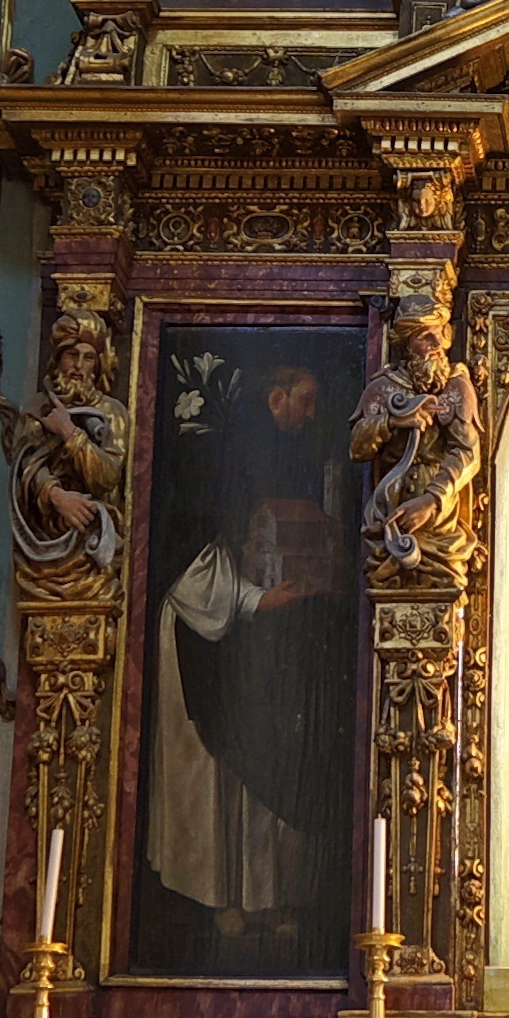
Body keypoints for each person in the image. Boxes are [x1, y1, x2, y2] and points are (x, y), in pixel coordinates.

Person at [142, 352, 354, 974]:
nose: (312, 414)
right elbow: (195, 563)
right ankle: (220, 899)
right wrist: (263, 597)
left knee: (267, 765)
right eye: (307, 400)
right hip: (205, 636)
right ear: (274, 398)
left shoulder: (292, 457)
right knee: (215, 775)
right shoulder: (224, 457)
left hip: (264, 642)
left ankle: (265, 897)